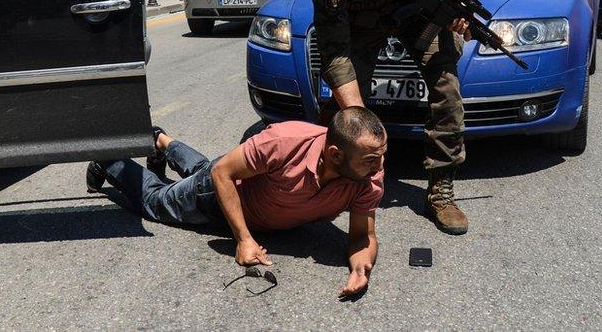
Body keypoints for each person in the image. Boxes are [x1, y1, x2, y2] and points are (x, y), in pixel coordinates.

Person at [310, 0, 472, 235]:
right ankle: (327, 177)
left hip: (418, 10)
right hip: (362, 21)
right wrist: (357, 121)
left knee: (446, 86)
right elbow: (334, 49)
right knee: (341, 108)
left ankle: (441, 189)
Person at [85, 107, 387, 297]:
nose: (379, 166)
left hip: (237, 175)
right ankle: (107, 157)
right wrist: (243, 239)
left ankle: (161, 141)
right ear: (334, 155)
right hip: (214, 195)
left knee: (204, 166)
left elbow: (363, 235)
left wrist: (362, 267)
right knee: (155, 200)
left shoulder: (367, 176)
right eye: (371, 160)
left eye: (382, 156)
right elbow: (222, 174)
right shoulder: (283, 143)